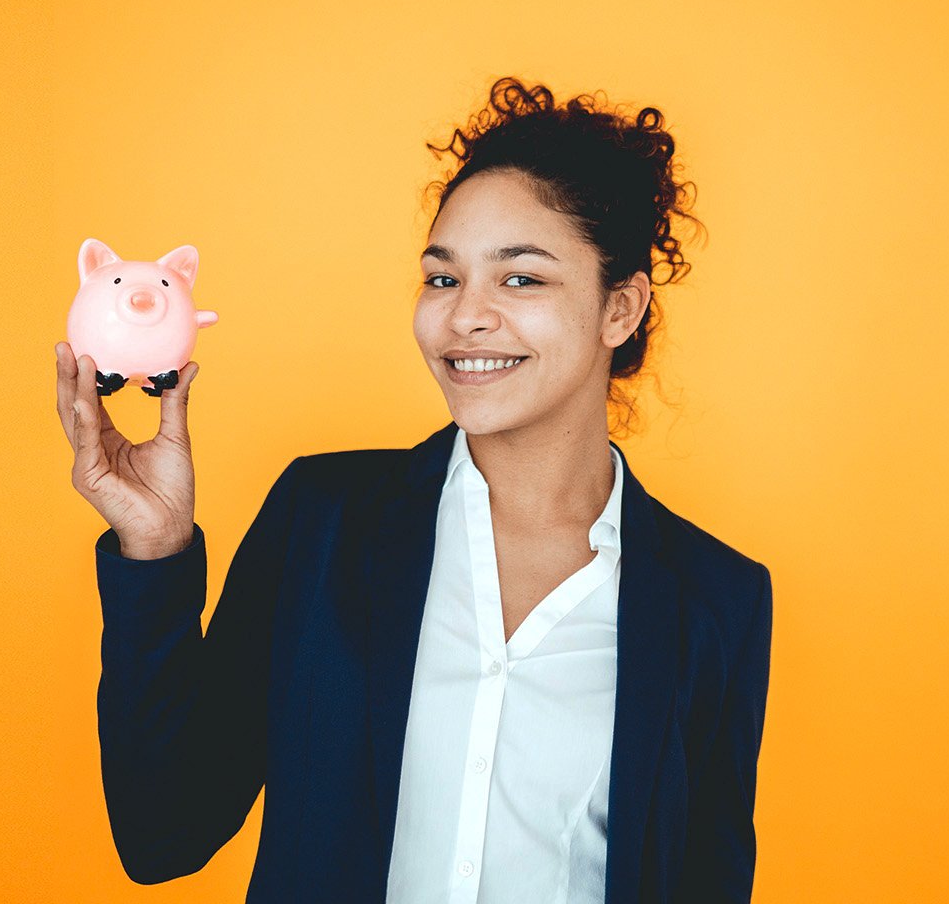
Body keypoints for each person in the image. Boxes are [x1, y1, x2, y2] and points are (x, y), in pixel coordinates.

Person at [52, 77, 773, 904]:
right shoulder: (320, 521)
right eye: (442, 279)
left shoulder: (718, 602)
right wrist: (155, 550)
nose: (465, 317)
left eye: (521, 280)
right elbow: (162, 831)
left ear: (621, 308)